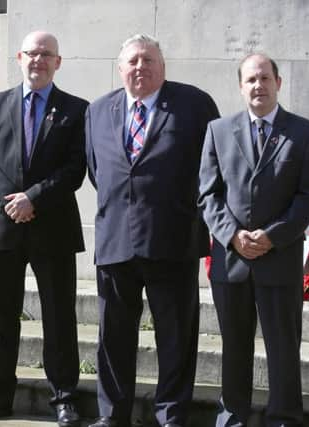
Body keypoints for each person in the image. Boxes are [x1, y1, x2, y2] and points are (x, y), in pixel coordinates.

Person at [85, 34, 219, 427]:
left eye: (148, 60)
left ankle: (171, 415)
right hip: (115, 241)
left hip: (172, 240)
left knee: (176, 338)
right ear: (120, 66)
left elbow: (210, 168)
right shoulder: (97, 110)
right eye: (132, 61)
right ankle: (112, 415)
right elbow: (100, 172)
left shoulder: (194, 105)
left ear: (163, 66)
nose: (140, 67)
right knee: (112, 339)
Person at [0, 31, 87, 426]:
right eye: (32, 53)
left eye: (47, 54)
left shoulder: (76, 109)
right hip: (3, 226)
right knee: (1, 315)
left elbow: (75, 168)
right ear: (19, 57)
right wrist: (13, 201)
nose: (38, 60)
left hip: (53, 228)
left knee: (59, 316)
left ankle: (64, 397)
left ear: (58, 62)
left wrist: (34, 198)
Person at [198, 53, 309, 426]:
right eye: (251, 79)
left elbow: (308, 195)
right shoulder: (218, 131)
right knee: (235, 346)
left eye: (265, 78)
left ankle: (284, 415)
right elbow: (208, 194)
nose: (258, 85)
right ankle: (233, 414)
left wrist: (272, 236)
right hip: (231, 261)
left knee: (283, 346)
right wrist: (232, 235)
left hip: (279, 259)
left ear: (278, 83)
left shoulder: (305, 133)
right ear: (241, 86)